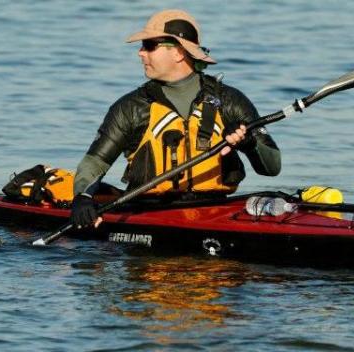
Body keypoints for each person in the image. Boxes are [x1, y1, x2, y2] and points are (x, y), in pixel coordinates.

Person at [70, 9, 281, 229]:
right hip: (148, 214)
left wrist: (249, 143)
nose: (141, 53)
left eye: (149, 45)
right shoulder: (130, 108)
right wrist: (83, 197)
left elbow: (272, 167)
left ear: (179, 52)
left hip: (216, 212)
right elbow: (94, 163)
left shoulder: (230, 101)